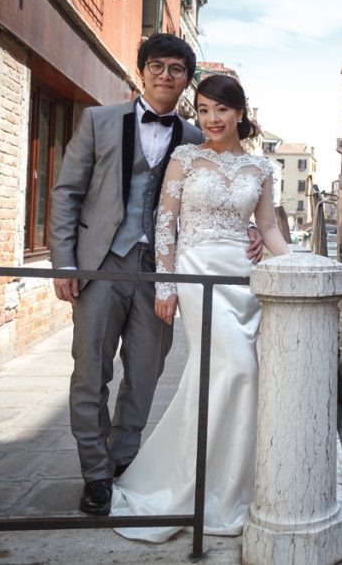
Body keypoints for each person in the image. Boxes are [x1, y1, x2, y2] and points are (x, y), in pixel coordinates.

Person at [49, 34, 262, 516]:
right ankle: (95, 474)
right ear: (142, 71)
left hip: (164, 271)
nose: (166, 75)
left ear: (186, 80)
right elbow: (66, 193)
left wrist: (248, 228)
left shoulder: (194, 136)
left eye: (176, 69)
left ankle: (123, 463)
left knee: (144, 374)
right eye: (157, 66)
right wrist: (64, 262)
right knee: (90, 372)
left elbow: (224, 186)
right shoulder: (98, 121)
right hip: (100, 265)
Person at [110, 73, 290, 543]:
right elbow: (165, 222)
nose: (211, 118)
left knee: (218, 377)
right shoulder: (184, 159)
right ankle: (198, 488)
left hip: (243, 279)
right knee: (241, 368)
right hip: (195, 273)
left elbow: (268, 228)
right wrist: (166, 285)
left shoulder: (262, 169)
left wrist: (299, 262)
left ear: (240, 114)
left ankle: (227, 485)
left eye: (221, 110)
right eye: (204, 109)